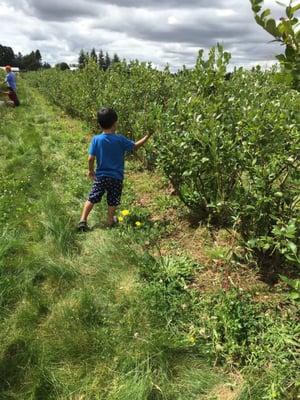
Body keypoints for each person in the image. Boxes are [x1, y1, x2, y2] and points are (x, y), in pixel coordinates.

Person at [78, 107, 153, 231]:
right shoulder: (120, 139)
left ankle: (83, 219)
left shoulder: (96, 139)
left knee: (92, 198)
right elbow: (134, 147)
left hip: (101, 177)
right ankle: (110, 220)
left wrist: (91, 171)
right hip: (116, 177)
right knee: (113, 200)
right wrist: (146, 137)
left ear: (99, 124)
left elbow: (90, 159)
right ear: (115, 123)